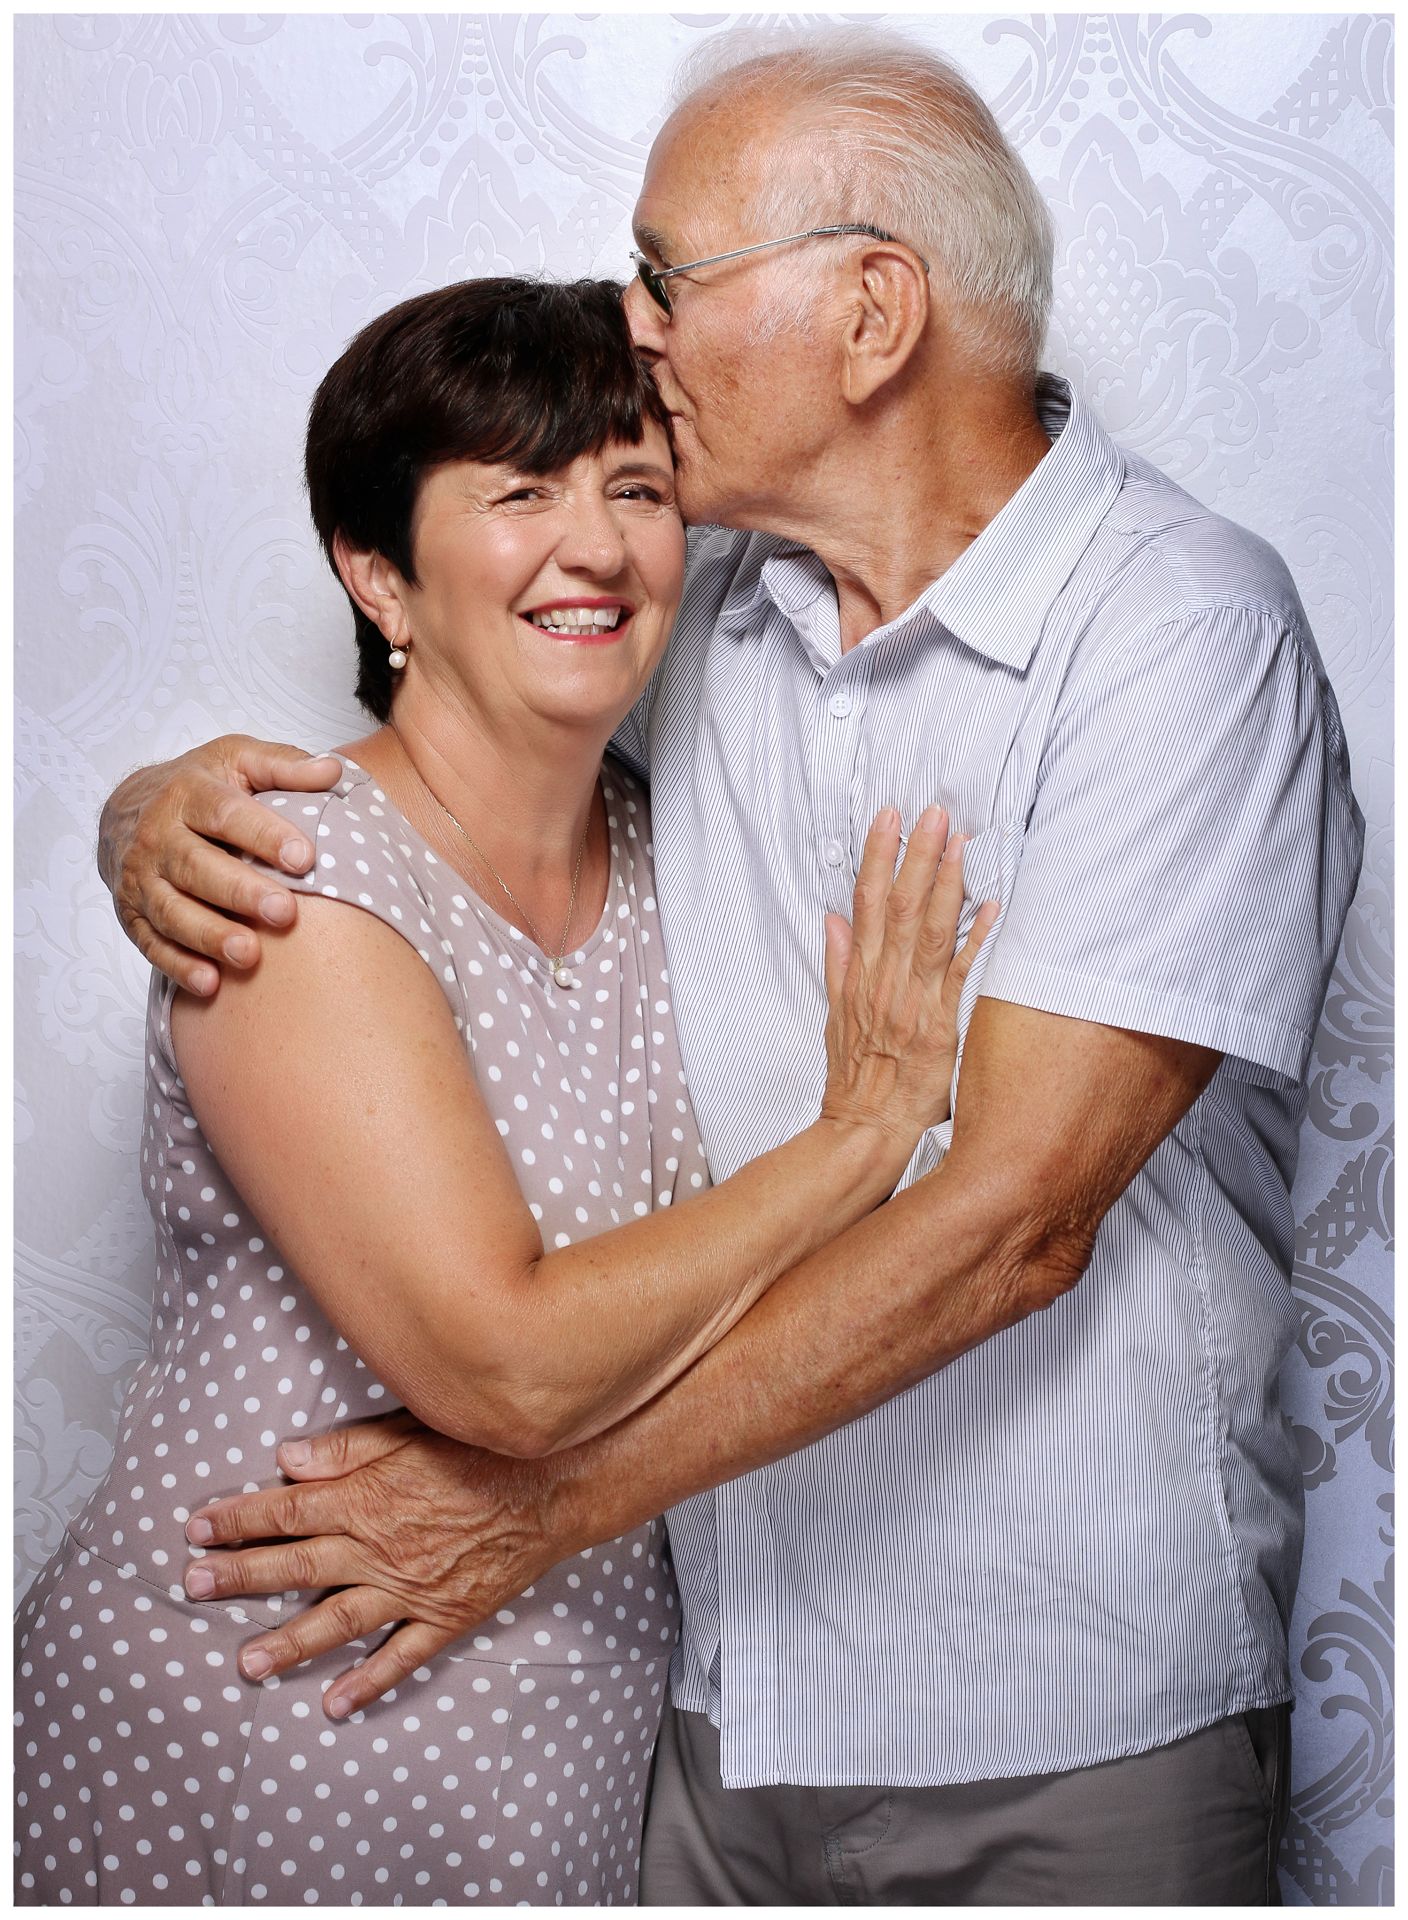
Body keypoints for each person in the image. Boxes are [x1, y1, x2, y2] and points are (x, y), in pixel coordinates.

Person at [90, 26, 1363, 1909]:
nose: (636, 324)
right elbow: (465, 686)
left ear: (873, 314)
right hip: (704, 1722)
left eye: (667, 272)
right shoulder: (708, 610)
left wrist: (534, 1515)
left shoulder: (1181, 632)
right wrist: (148, 815)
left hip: (1068, 1726)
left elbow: (1017, 1224)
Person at [13, 274, 990, 1907]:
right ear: (378, 572)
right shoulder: (288, 880)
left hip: (561, 1745)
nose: (594, 545)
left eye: (637, 487)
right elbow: (508, 1369)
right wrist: (861, 1137)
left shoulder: (679, 850)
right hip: (258, 1718)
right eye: (519, 491)